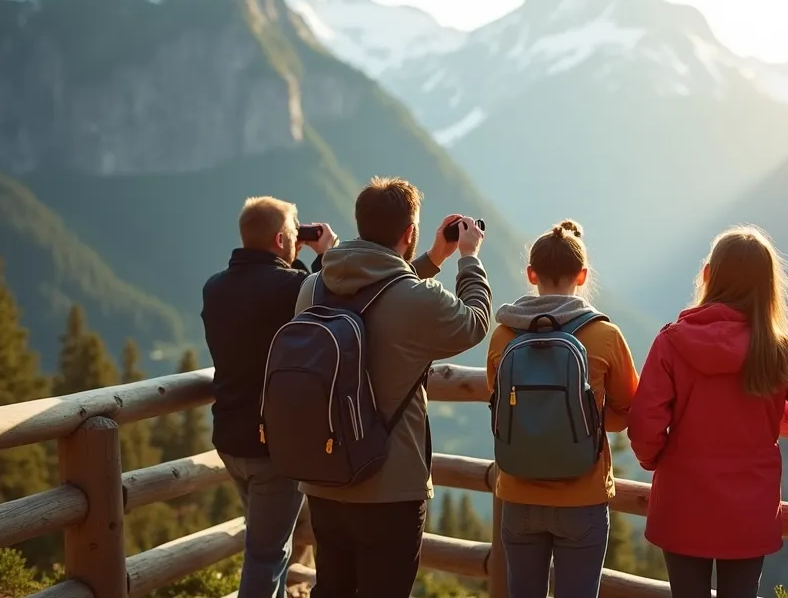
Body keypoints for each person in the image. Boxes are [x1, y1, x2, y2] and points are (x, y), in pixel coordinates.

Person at [294, 176, 492, 598]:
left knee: (332, 590)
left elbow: (378, 292)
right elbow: (474, 323)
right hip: (390, 486)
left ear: (361, 224)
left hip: (325, 476)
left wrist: (433, 258)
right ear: (409, 233)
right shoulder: (418, 300)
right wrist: (468, 258)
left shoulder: (313, 287)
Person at [627, 225, 788, 598]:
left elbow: (643, 425)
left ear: (708, 275)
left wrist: (659, 462)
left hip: (682, 504)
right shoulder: (778, 350)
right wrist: (778, 416)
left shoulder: (672, 342)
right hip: (749, 511)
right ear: (767, 285)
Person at [485, 220, 640, 598]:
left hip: (518, 496)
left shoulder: (504, 336)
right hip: (582, 497)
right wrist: (590, 424)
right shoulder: (605, 336)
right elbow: (628, 409)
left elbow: (499, 403)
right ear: (583, 275)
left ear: (531, 274)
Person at [201, 196, 337, 598]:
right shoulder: (292, 287)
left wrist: (293, 257)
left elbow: (274, 296)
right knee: (266, 555)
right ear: (281, 239)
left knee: (264, 545)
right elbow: (326, 306)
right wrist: (327, 255)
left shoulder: (215, 287)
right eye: (294, 235)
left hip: (231, 440)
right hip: (273, 447)